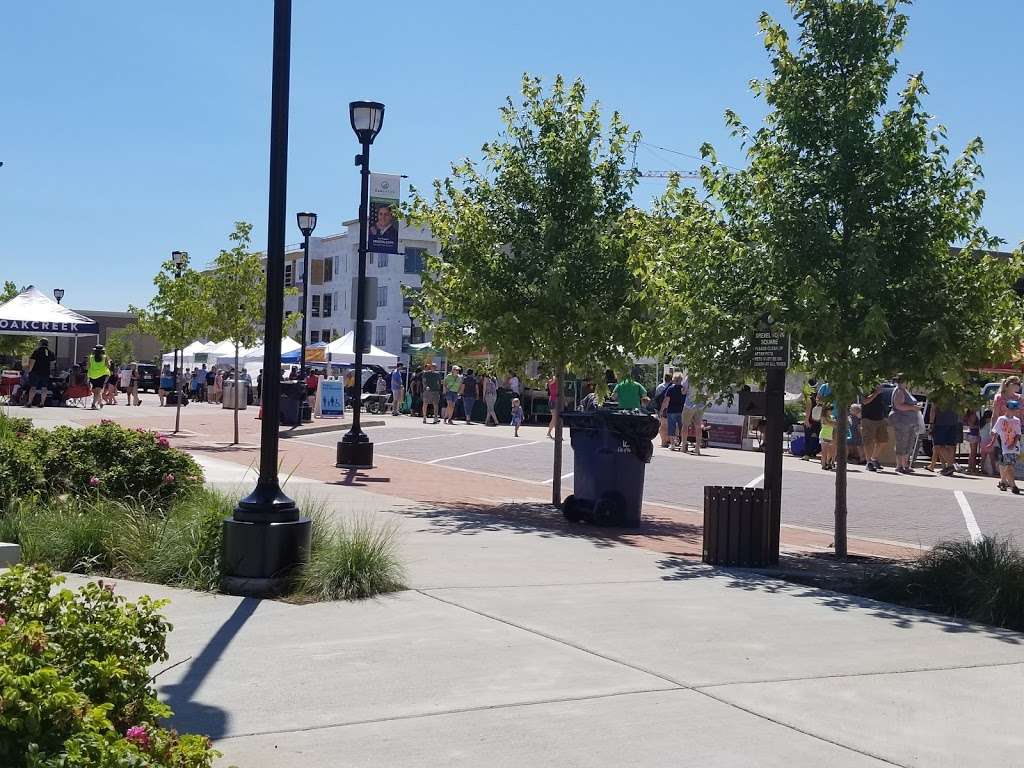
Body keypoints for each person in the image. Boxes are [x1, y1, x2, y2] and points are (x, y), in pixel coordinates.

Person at [888, 374, 923, 474]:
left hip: (909, 421)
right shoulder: (899, 390)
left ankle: (905, 465)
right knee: (902, 442)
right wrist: (913, 408)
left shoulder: (904, 390)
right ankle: (899, 466)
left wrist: (915, 406)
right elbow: (898, 405)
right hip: (901, 421)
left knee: (909, 443)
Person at [992, 399, 1022, 494]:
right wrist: (992, 442)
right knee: (1007, 464)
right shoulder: (1001, 419)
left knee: (1010, 465)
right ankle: (1013, 485)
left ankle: (1003, 481)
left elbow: (1018, 434)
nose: (1014, 411)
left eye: (1016, 410)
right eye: (1012, 409)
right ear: (1007, 409)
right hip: (1004, 444)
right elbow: (995, 431)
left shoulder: (1017, 420)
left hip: (1013, 446)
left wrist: (1013, 444)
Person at [859, 382, 889, 471]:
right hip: (868, 418)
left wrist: (885, 416)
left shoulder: (879, 385)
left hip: (880, 418)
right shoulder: (864, 386)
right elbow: (865, 401)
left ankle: (874, 459)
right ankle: (869, 463)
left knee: (883, 441)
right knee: (868, 442)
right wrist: (876, 393)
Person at [929, 398, 962, 477]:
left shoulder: (938, 393)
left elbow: (933, 409)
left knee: (938, 445)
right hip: (953, 422)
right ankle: (948, 468)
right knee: (950, 446)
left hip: (941, 422)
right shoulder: (956, 392)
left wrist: (931, 423)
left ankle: (951, 466)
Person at [24, 338, 55, 408]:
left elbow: (32, 361)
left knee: (33, 387)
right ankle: (42, 403)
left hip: (35, 372)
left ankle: (29, 402)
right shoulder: (50, 352)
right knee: (44, 388)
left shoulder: (36, 351)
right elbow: (53, 362)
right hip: (46, 373)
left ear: (40, 343)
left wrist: (29, 370)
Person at [660, 372, 687, 449]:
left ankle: (672, 445)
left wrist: (661, 410)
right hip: (682, 411)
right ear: (681, 379)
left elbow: (666, 400)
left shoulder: (671, 388)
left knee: (671, 427)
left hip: (671, 410)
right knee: (682, 427)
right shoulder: (684, 389)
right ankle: (683, 444)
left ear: (674, 379)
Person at [680, 381, 706, 455]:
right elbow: (708, 393)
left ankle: (684, 446)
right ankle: (697, 448)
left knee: (685, 425)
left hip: (689, 403)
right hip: (700, 404)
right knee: (698, 426)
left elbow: (683, 392)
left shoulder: (690, 377)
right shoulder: (705, 377)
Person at [87, 345, 110, 410]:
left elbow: (88, 366)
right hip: (102, 375)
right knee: (98, 391)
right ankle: (93, 404)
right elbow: (108, 366)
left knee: (96, 391)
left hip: (92, 375)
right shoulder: (105, 357)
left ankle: (100, 402)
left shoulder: (90, 357)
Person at [653, 373, 673, 448]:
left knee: (662, 425)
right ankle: (670, 441)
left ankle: (663, 442)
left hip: (661, 408)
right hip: (670, 408)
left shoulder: (660, 386)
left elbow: (656, 397)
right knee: (670, 425)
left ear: (664, 378)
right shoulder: (672, 386)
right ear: (671, 379)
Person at [965, 408, 981, 475]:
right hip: (973, 434)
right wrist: (978, 426)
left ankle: (971, 467)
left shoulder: (968, 415)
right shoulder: (973, 415)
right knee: (973, 452)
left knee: (972, 452)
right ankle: (972, 467)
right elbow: (971, 425)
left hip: (970, 434)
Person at [545, 373, 559, 438]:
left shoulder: (556, 382)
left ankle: (550, 432)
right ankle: (550, 432)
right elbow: (554, 379)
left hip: (555, 400)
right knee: (554, 418)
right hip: (552, 400)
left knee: (555, 418)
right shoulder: (550, 381)